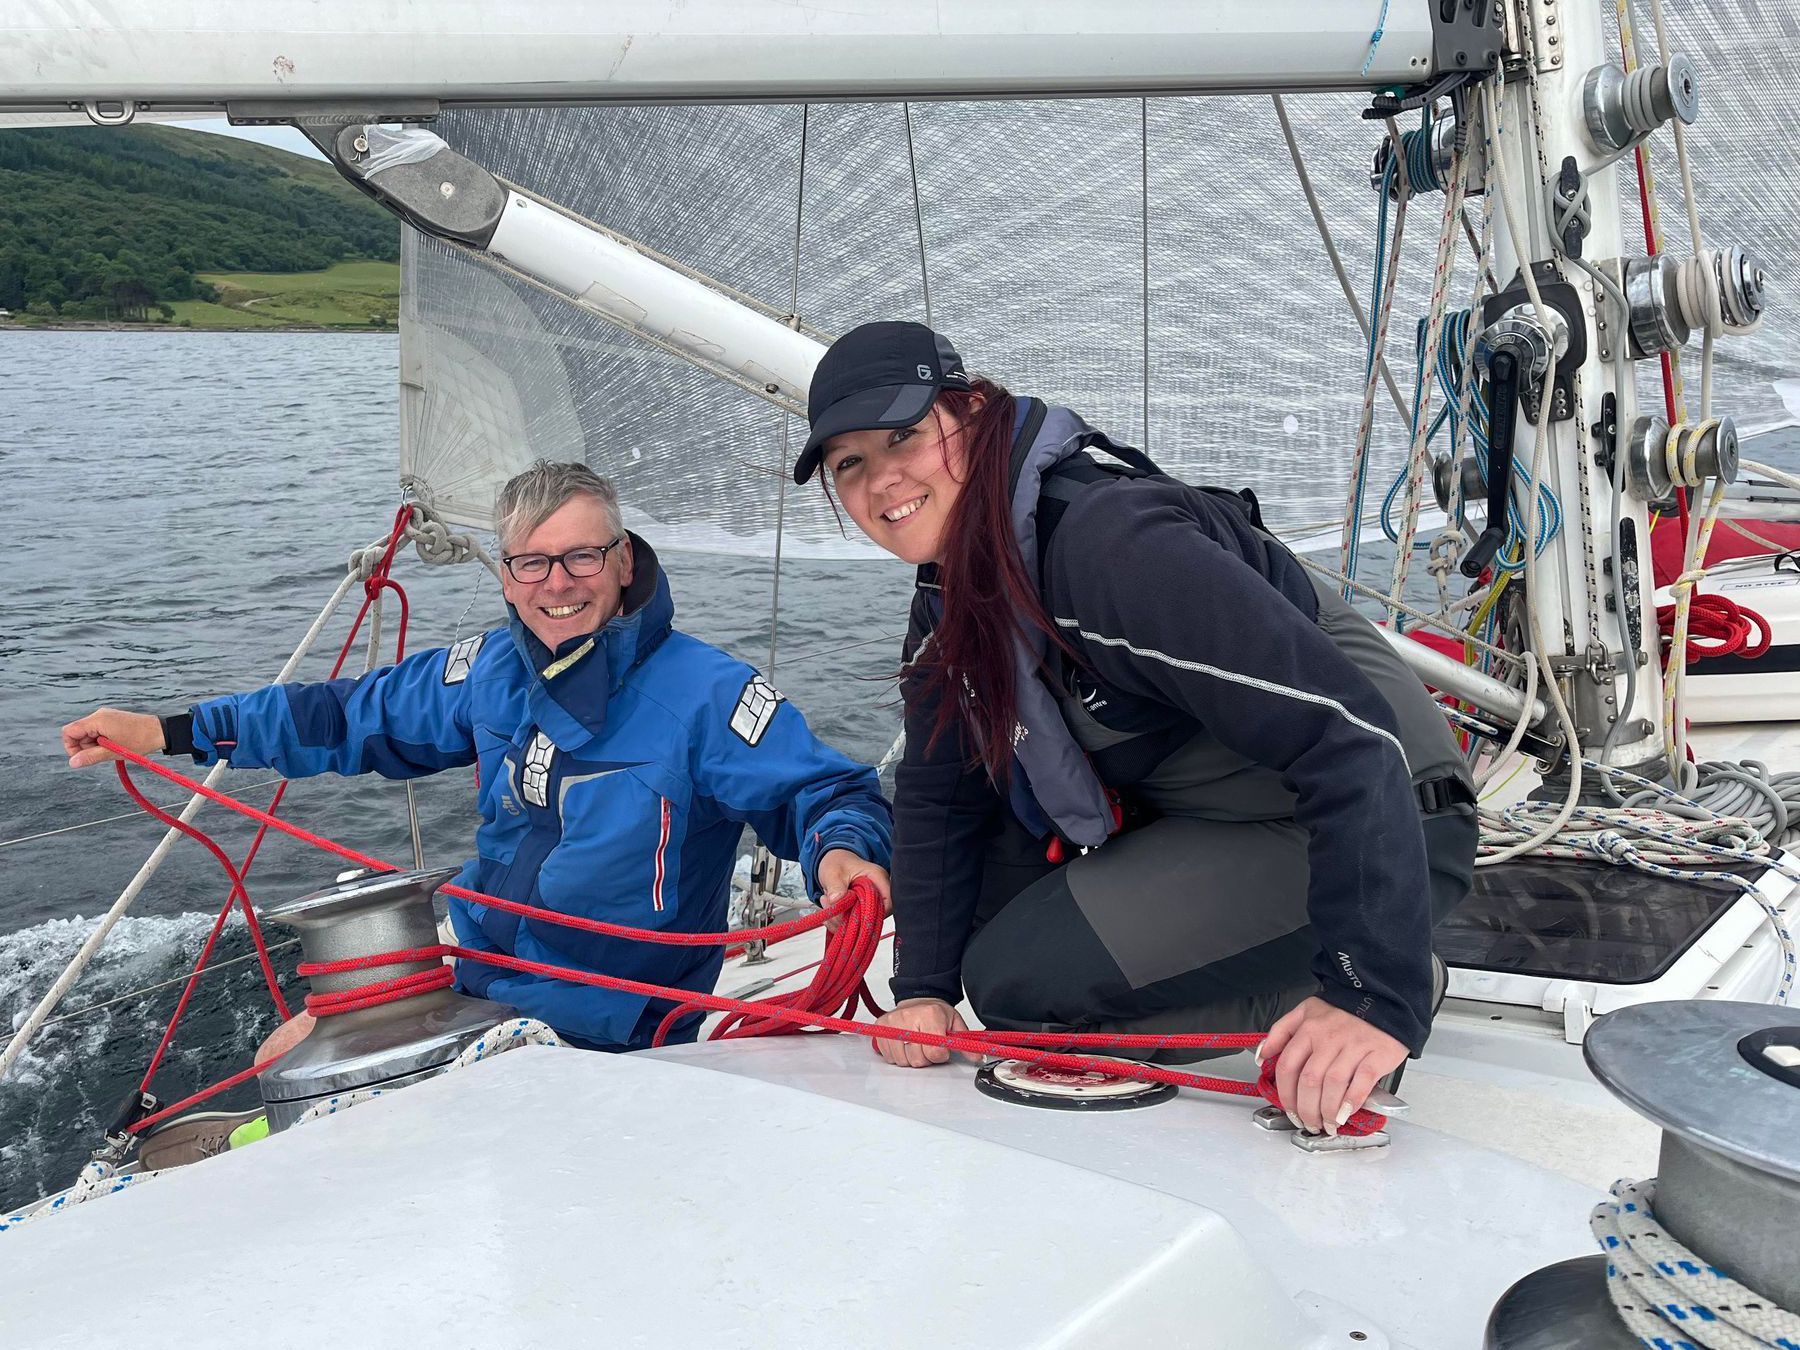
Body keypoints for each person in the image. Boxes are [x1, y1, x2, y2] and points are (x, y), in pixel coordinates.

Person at [793, 321, 1477, 1136]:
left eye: (903, 435)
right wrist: (924, 993)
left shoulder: (1107, 547)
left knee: (1022, 986)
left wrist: (1373, 990)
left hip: (1390, 808)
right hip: (1222, 816)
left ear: (970, 413)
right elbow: (942, 792)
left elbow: (1351, 738)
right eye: (849, 464)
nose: (881, 480)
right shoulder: (952, 599)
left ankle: (1343, 997)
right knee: (984, 946)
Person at [64, 460, 892, 1053]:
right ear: (505, 574)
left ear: (624, 560)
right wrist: (165, 731)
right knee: (285, 1053)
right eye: (533, 562)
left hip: (613, 1021)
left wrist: (845, 853)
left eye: (582, 556)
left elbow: (824, 792)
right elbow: (342, 716)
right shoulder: (486, 669)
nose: (557, 583)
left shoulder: (704, 695)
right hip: (476, 975)